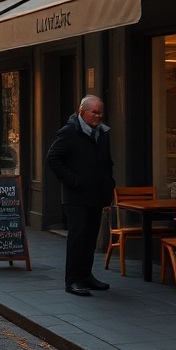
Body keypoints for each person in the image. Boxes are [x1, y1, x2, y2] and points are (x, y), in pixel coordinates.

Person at [46, 94, 115, 297]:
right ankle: (72, 280)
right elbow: (53, 158)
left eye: (100, 112)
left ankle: (86, 276)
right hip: (76, 197)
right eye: (94, 112)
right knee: (78, 237)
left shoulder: (102, 133)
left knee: (90, 238)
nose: (98, 116)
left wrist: (109, 184)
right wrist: (73, 181)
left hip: (96, 194)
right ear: (82, 112)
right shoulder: (69, 132)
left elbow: (106, 162)